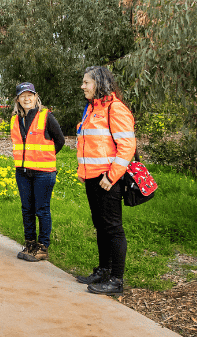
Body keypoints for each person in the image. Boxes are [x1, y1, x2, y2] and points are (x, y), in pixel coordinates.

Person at [75, 65, 137, 295]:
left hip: (108, 179)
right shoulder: (91, 109)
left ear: (99, 83)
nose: (82, 86)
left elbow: (127, 146)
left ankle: (116, 280)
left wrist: (111, 176)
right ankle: (103, 270)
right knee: (100, 226)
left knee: (113, 228)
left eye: (86, 82)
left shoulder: (116, 109)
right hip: (92, 177)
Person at [11, 82, 66, 262]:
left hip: (43, 172)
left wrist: (45, 157)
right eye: (23, 95)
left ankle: (42, 247)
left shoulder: (46, 116)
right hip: (23, 171)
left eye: (30, 95)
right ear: (18, 99)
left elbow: (60, 140)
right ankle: (30, 244)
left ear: (36, 97)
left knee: (41, 210)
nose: (27, 98)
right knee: (27, 209)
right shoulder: (15, 119)